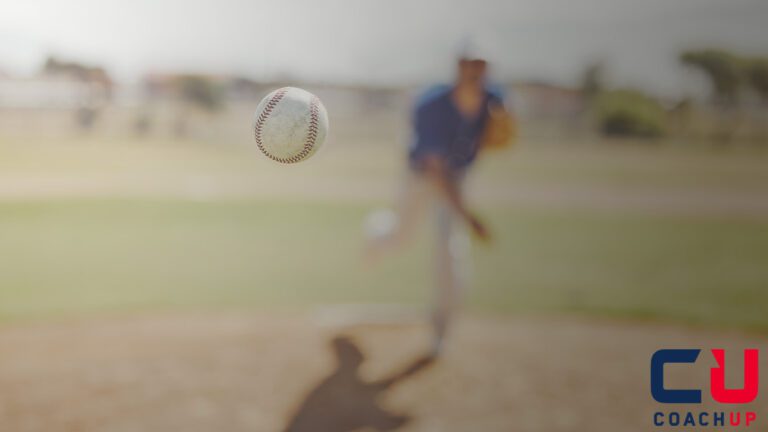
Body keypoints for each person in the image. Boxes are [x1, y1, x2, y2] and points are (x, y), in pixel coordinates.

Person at [365, 43, 514, 357]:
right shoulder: (431, 103)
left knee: (449, 250)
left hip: (456, 177)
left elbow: (497, 136)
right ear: (457, 67)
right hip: (422, 176)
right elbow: (435, 169)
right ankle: (375, 234)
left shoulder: (495, 100)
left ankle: (441, 331)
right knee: (400, 238)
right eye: (469, 64)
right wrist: (469, 216)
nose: (475, 71)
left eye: (481, 65)